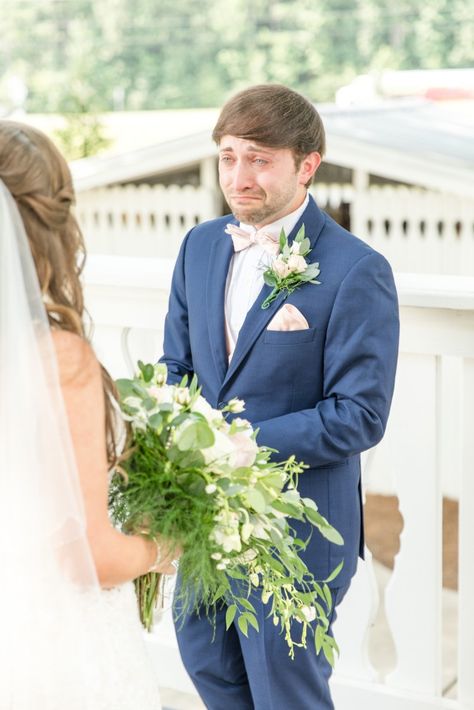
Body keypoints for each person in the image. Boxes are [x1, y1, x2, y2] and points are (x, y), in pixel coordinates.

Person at [160, 84, 400, 709]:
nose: (238, 176)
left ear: (307, 164)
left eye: (259, 158)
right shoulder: (200, 246)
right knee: (206, 661)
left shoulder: (356, 269)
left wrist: (240, 445)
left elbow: (360, 415)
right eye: (228, 156)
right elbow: (178, 365)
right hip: (205, 520)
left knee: (286, 694)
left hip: (297, 530)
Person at [0, 120, 179, 709]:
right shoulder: (55, 358)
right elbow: (88, 558)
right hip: (47, 640)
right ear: (52, 219)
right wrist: (162, 546)